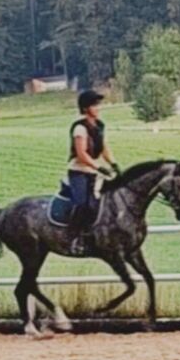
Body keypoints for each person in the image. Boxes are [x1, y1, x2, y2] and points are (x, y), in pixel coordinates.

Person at [67, 90, 120, 254]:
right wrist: (98, 167)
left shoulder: (99, 126)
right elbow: (81, 154)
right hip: (79, 172)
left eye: (98, 104)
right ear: (85, 108)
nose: (98, 108)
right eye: (94, 105)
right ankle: (75, 238)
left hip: (94, 172)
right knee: (82, 203)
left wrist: (114, 164)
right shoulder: (79, 129)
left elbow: (104, 148)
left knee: (107, 202)